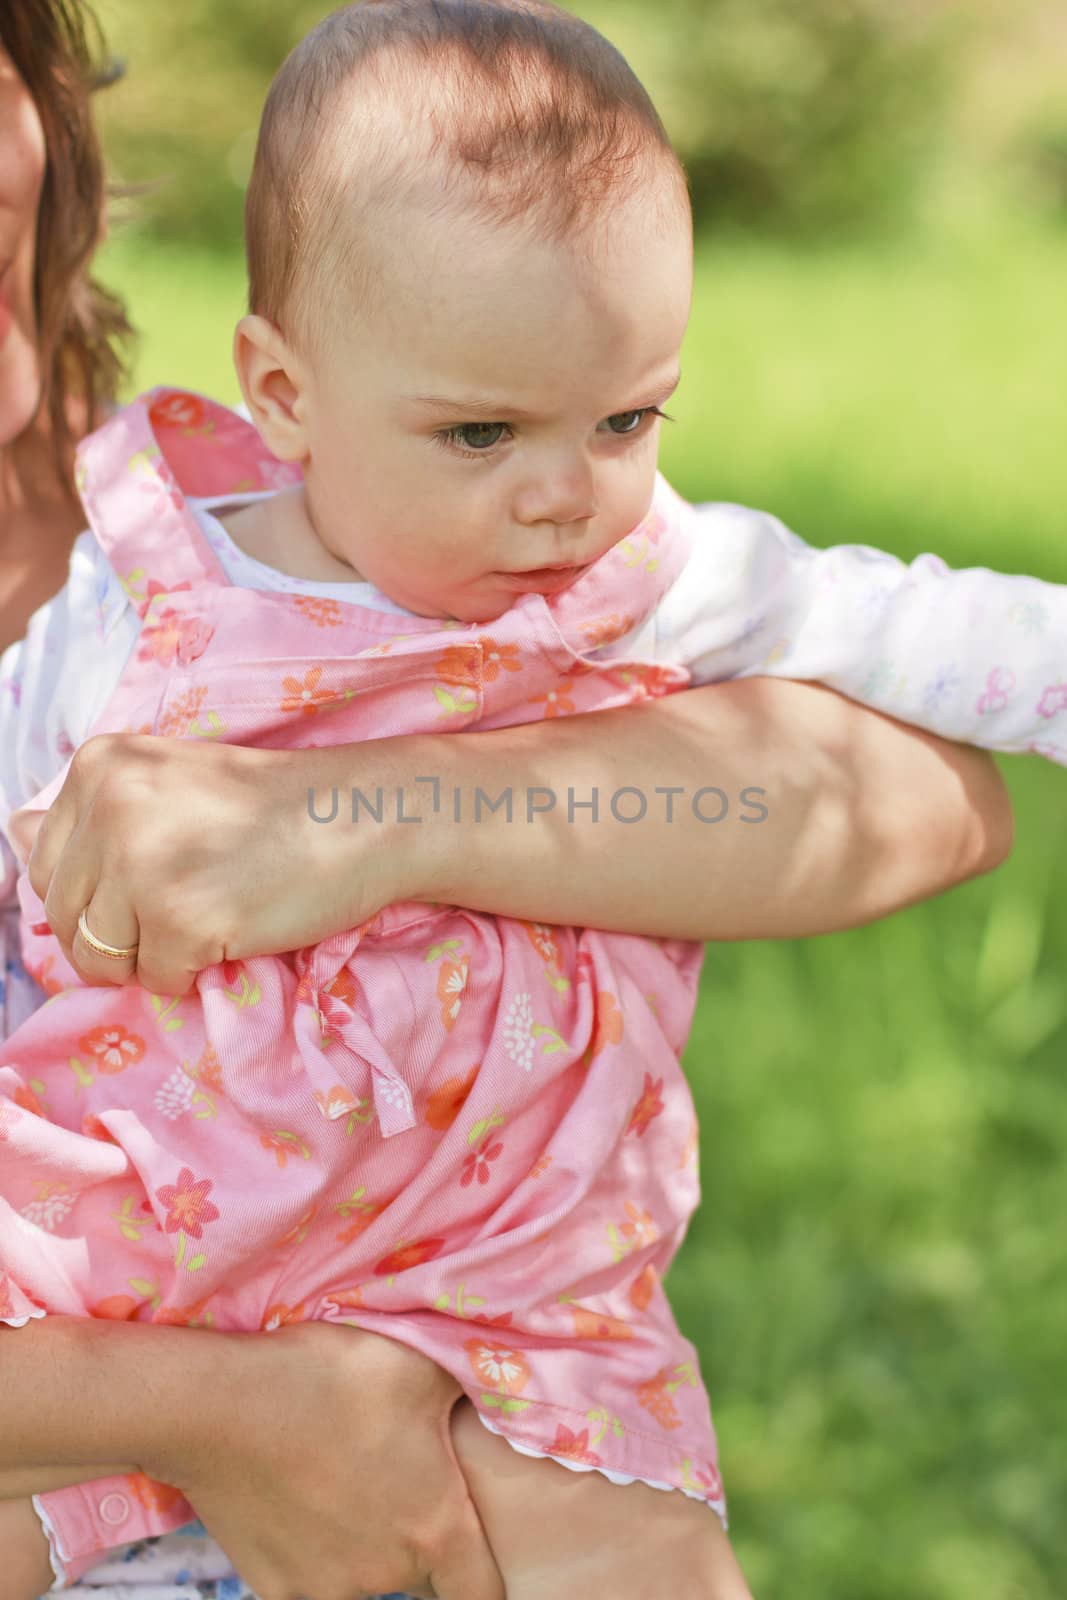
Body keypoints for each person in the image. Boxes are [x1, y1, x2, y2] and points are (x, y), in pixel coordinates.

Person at [0, 4, 1018, 1600]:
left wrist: (372, 817)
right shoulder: (153, 600)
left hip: (498, 1292)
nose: (562, 491)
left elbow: (916, 778)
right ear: (283, 385)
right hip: (145, 1268)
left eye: (624, 422)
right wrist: (244, 1414)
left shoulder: (469, 539)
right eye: (489, 433)